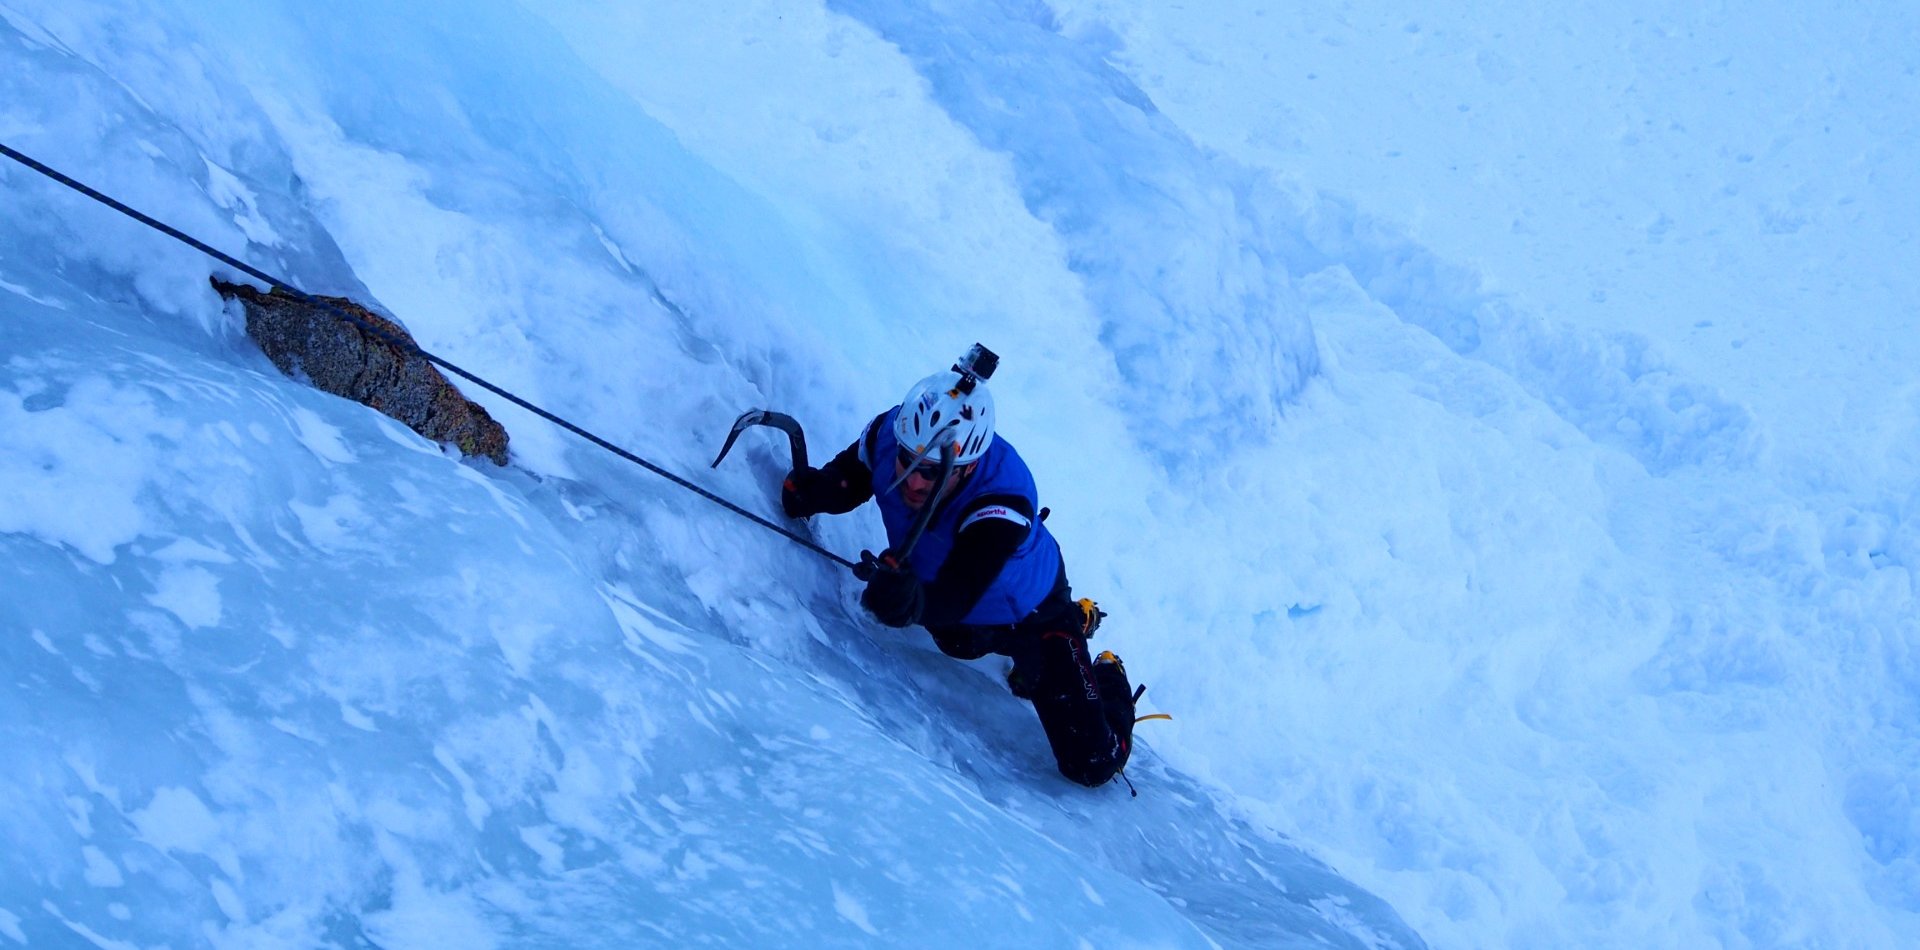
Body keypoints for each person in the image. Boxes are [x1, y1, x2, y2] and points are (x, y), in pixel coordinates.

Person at [779, 345, 1139, 788]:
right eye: (907, 461)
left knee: (1092, 762)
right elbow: (851, 478)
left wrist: (911, 602)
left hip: (1034, 607)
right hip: (960, 604)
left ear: (967, 467)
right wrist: (813, 492)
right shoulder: (892, 433)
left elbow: (959, 591)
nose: (913, 480)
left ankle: (1098, 657)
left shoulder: (1001, 500)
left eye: (932, 472)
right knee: (956, 641)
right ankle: (1021, 653)